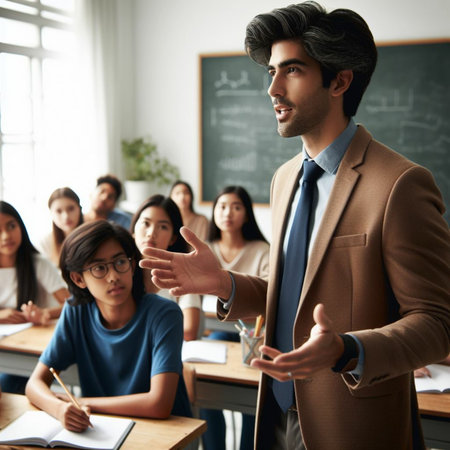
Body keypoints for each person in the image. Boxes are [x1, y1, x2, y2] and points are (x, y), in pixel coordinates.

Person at [140, 3, 450, 449]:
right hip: (275, 413)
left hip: (354, 425)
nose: (272, 88)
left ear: (339, 81)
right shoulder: (285, 178)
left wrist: (348, 349)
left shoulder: (399, 184)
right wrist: (225, 283)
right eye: (271, 72)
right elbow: (295, 296)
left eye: (292, 71)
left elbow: (438, 323)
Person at [25, 220, 191, 432]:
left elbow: (159, 405)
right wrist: (59, 409)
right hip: (103, 431)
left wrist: (82, 402)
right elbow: (34, 384)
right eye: (99, 268)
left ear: (132, 266)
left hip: (168, 434)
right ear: (78, 279)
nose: (113, 277)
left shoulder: (164, 314)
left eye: (120, 262)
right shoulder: (76, 311)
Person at [201, 185, 269, 450]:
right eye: (222, 206)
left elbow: (270, 293)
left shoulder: (262, 249)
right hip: (214, 334)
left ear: (247, 214)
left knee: (253, 399)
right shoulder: (205, 249)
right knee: (207, 392)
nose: (228, 212)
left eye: (236, 206)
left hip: (255, 335)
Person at [0, 201, 70, 393]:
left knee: (7, 384)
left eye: (11, 226)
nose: (6, 236)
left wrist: (44, 312)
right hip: (5, 346)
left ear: (21, 226)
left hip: (30, 352)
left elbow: (72, 304)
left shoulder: (38, 263)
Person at [131, 195, 202, 341]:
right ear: (133, 229)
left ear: (173, 238)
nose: (151, 233)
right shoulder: (120, 272)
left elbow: (189, 331)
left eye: (163, 226)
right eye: (146, 223)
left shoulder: (182, 276)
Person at [39, 187, 84, 266]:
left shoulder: (93, 237)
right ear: (51, 214)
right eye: (58, 211)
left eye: (71, 208)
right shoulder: (45, 243)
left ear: (79, 209)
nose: (66, 216)